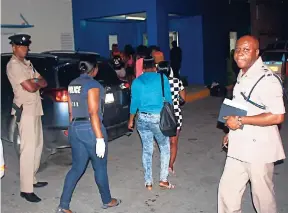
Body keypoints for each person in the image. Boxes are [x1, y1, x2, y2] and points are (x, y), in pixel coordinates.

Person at [218, 35, 286, 213]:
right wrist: (231, 132)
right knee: (227, 193)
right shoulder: (243, 73)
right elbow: (243, 106)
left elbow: (278, 116)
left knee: (263, 200)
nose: (240, 54)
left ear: (257, 53)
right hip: (239, 145)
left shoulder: (267, 80)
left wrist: (240, 120)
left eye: (246, 50)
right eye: (238, 49)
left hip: (259, 149)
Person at [56, 61, 121, 212]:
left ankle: (63, 205)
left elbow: (71, 111)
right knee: (100, 167)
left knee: (77, 168)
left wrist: (71, 129)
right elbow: (93, 112)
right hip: (91, 129)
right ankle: (107, 200)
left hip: (75, 127)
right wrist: (99, 138)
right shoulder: (93, 85)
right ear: (95, 69)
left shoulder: (72, 84)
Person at [6, 34, 48, 203]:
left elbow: (44, 82)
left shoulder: (27, 64)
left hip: (36, 108)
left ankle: (32, 179)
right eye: (21, 46)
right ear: (14, 47)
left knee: (38, 146)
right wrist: (35, 81)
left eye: (26, 47)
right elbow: (31, 87)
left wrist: (35, 81)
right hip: (25, 110)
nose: (24, 49)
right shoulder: (14, 65)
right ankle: (26, 189)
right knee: (28, 149)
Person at [128, 56, 174, 190]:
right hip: (158, 118)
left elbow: (134, 102)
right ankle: (163, 180)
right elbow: (169, 100)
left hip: (142, 118)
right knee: (165, 147)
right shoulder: (162, 78)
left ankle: (148, 182)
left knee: (147, 150)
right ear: (155, 66)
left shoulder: (137, 81)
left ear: (142, 68)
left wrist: (131, 120)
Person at [157, 61, 186, 174]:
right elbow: (183, 99)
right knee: (173, 142)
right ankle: (170, 166)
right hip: (175, 115)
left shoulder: (155, 83)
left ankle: (163, 166)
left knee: (163, 143)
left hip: (159, 115)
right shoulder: (176, 81)